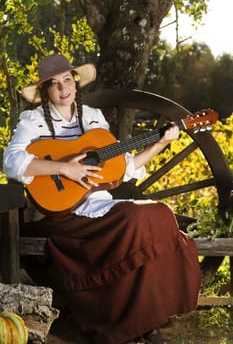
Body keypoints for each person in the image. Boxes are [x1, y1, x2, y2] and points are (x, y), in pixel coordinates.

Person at [3, 53, 202, 344]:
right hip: (64, 214)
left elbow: (124, 167)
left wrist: (161, 142)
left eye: (67, 80)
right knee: (136, 220)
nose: (63, 88)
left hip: (100, 204)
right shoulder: (33, 121)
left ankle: (148, 321)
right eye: (54, 84)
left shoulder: (94, 119)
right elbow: (12, 162)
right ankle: (132, 325)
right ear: (46, 91)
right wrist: (65, 169)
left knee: (158, 214)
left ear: (76, 82)